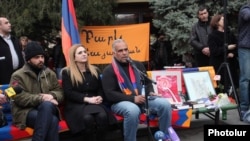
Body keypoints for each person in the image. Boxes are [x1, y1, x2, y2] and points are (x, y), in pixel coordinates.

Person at [101, 39, 172, 141]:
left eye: (126, 49)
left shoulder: (137, 65)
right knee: (133, 110)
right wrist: (133, 99)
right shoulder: (109, 70)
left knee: (165, 104)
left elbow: (147, 82)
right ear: (114, 53)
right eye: (120, 51)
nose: (124, 53)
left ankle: (164, 137)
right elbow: (110, 94)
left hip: (141, 98)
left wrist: (150, 91)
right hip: (120, 102)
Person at [9, 41, 64, 141]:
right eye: (36, 57)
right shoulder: (17, 75)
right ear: (29, 59)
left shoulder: (50, 73)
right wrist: (42, 98)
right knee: (52, 120)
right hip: (25, 112)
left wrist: (52, 96)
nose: (41, 60)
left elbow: (60, 92)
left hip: (47, 109)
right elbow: (16, 96)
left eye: (42, 57)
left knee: (46, 106)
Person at [61, 44, 116, 141]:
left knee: (102, 117)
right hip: (77, 104)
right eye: (80, 53)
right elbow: (69, 93)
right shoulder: (67, 72)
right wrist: (87, 99)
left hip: (94, 102)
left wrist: (100, 97)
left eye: (85, 52)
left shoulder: (94, 70)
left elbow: (100, 88)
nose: (84, 54)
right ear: (74, 57)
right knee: (88, 119)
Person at [208, 14, 238, 93]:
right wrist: (227, 48)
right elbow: (214, 51)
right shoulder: (212, 36)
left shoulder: (229, 34)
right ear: (217, 22)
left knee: (232, 85)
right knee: (220, 86)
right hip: (219, 64)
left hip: (230, 63)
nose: (225, 21)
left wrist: (233, 53)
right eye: (222, 20)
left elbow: (236, 45)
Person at [0, 17, 24, 84]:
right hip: (3, 80)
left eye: (9, 22)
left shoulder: (15, 40)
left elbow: (20, 57)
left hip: (17, 77)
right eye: (6, 23)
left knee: (18, 93)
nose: (9, 24)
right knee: (8, 94)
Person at [238, 2, 250, 121]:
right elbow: (247, 16)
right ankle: (244, 109)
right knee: (245, 79)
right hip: (246, 48)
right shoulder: (245, 8)